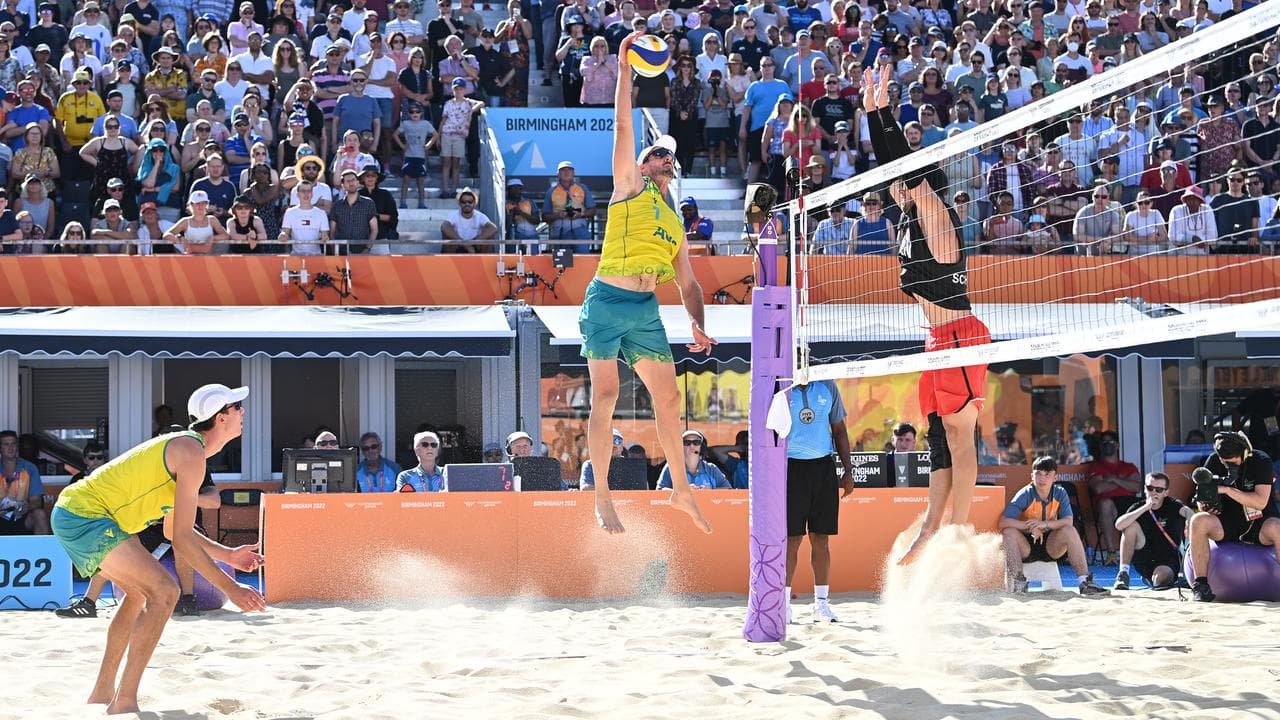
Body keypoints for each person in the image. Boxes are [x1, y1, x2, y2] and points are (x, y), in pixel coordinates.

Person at [50, 384, 266, 714]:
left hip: (82, 514)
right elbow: (181, 540)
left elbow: (176, 531)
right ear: (220, 418)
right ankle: (123, 701)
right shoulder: (191, 453)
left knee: (139, 595)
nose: (243, 412)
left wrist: (229, 556)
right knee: (165, 591)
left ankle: (103, 693)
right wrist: (232, 588)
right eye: (237, 407)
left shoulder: (190, 451)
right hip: (85, 516)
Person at [581, 31, 714, 536]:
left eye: (669, 156)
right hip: (607, 301)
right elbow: (620, 123)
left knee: (670, 398)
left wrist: (698, 326)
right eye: (658, 153)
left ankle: (680, 489)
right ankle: (602, 497)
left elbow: (690, 285)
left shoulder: (676, 223)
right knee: (606, 395)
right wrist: (624, 70)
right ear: (642, 163)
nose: (666, 158)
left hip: (643, 310)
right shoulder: (629, 186)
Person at [862, 68, 990, 565]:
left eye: (904, 184)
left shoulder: (934, 211)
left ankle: (958, 530)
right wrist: (872, 112)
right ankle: (931, 528)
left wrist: (883, 115)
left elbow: (903, 166)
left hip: (961, 335)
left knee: (961, 434)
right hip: (936, 339)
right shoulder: (909, 219)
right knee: (938, 436)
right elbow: (891, 168)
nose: (894, 188)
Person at [770, 377, 854, 623]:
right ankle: (783, 605)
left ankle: (821, 604)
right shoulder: (781, 387)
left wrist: (848, 471)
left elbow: (839, 429)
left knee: (821, 538)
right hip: (791, 468)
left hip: (823, 467)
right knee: (792, 539)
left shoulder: (827, 386)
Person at [1187, 431, 1280, 602]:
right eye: (1224, 461)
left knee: (1277, 527)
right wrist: (1208, 506)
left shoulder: (1261, 461)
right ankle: (1200, 585)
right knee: (1198, 520)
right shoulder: (1213, 461)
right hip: (1226, 522)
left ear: (1244, 453)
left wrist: (1227, 489)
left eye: (1233, 461)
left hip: (1259, 522)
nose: (1228, 465)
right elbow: (1201, 500)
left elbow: (1260, 502)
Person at [1000, 456, 1110, 595]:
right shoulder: (1025, 493)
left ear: (1055, 477)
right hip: (1025, 546)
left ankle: (1085, 582)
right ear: (1031, 476)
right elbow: (1003, 521)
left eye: (1047, 474)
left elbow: (1068, 520)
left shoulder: (1060, 492)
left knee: (1069, 530)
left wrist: (1043, 524)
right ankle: (1018, 582)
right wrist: (1029, 526)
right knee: (1009, 532)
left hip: (1051, 546)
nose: (1042, 478)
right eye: (1038, 474)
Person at [1113, 471, 1193, 590]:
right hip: (1144, 555)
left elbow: (1187, 511)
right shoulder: (1137, 507)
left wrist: (1189, 520)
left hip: (1167, 557)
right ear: (1145, 489)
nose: (1153, 492)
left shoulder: (1172, 505)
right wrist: (1146, 507)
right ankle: (1123, 573)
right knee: (1130, 526)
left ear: (1166, 493)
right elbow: (1119, 525)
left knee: (1160, 580)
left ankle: (1156, 579)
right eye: (1150, 488)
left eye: (1159, 490)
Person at [1085, 430, 1142, 564]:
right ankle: (1111, 553)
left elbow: (1137, 487)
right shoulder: (1096, 466)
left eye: (1110, 442)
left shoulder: (1129, 466)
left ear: (1117, 445)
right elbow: (1099, 488)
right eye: (1104, 443)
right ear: (1100, 447)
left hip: (1129, 503)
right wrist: (1124, 481)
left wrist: (1113, 479)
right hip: (1108, 505)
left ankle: (1144, 553)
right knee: (1105, 503)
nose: (1107, 445)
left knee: (1147, 505)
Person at [0, 429, 50, 535]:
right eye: (6, 444)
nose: (10, 448)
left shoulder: (29, 468)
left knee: (39, 514)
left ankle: (42, 551)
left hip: (22, 517)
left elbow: (37, 501)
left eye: (13, 443)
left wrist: (25, 507)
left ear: (17, 446)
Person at [658, 429, 730, 490]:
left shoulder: (711, 469)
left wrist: (710, 492)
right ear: (680, 447)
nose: (692, 446)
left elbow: (728, 490)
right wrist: (683, 491)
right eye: (687, 443)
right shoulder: (671, 467)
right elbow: (659, 491)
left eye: (696, 442)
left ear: (702, 447)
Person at [883, 421, 917, 487]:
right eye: (900, 440)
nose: (903, 444)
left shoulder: (923, 461)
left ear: (914, 442)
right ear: (893, 440)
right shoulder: (884, 462)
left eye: (907, 440)